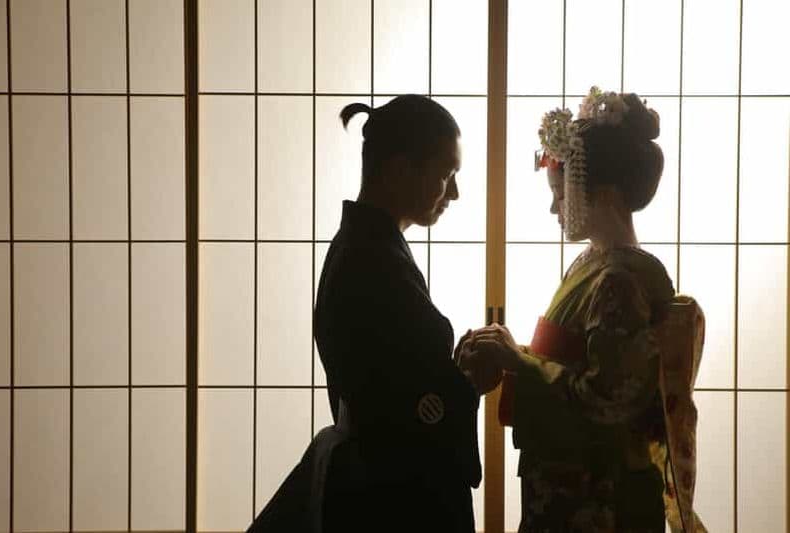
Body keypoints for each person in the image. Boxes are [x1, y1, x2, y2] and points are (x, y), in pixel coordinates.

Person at [459, 87, 706, 532]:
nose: (555, 207)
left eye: (562, 193)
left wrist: (518, 360)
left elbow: (607, 399)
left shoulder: (619, 279)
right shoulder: (595, 265)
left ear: (605, 193)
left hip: (598, 496)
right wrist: (511, 354)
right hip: (570, 484)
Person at [249, 95, 496, 533]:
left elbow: (396, 373)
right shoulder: (371, 258)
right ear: (400, 169)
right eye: (446, 174)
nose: (454, 193)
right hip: (389, 492)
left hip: (376, 474)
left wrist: (453, 372)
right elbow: (402, 403)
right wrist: (469, 382)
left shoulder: (368, 246)